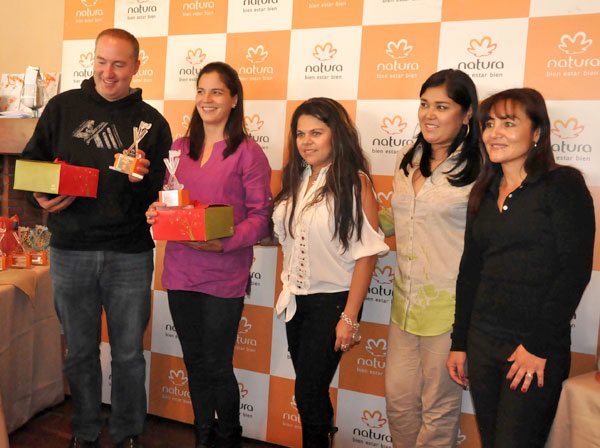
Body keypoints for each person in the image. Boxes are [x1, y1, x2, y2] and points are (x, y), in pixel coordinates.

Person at [21, 28, 172, 448]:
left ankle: (127, 433)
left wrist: (143, 180)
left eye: (119, 64)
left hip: (130, 254)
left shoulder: (153, 123)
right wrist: (40, 196)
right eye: (101, 61)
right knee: (80, 351)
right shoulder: (62, 107)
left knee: (128, 354)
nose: (108, 72)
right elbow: (30, 167)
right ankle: (85, 430)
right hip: (70, 251)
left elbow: (161, 194)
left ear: (136, 66)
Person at [447, 88, 595, 448]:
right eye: (489, 124)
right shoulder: (483, 190)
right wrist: (460, 342)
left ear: (537, 132)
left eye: (509, 123)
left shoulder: (562, 185)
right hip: (482, 341)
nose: (494, 133)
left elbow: (574, 271)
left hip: (533, 346)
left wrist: (537, 346)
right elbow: (470, 271)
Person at [145, 62, 271, 448]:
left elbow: (261, 218)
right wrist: (157, 210)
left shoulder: (248, 152)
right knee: (195, 362)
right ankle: (203, 436)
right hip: (181, 270)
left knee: (217, 365)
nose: (207, 99)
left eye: (216, 91)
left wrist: (224, 242)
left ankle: (229, 438)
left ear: (234, 99)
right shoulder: (179, 148)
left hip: (224, 273)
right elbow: (172, 200)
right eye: (201, 90)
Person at [273, 98, 388, 448]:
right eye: (300, 134)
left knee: (308, 390)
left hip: (334, 301)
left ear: (336, 134)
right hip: (297, 300)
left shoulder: (354, 182)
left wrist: (349, 316)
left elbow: (367, 255)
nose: (306, 141)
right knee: (310, 390)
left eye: (316, 132)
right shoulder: (297, 179)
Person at [384, 69, 481, 448]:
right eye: (425, 104)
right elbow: (397, 218)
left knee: (439, 412)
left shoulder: (481, 168)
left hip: (449, 310)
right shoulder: (407, 159)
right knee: (399, 404)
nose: (429, 114)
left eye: (442, 106)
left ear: (467, 113)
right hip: (404, 306)